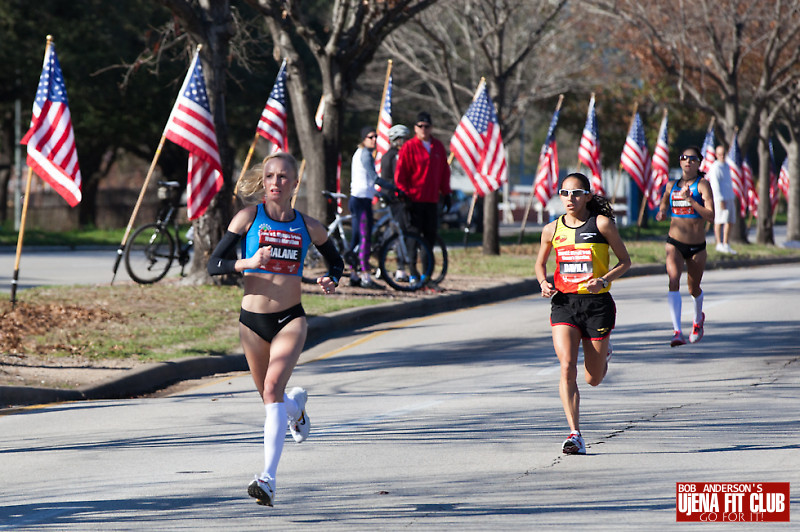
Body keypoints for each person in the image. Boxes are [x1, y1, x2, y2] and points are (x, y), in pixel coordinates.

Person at [207, 152, 343, 507]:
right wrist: (247, 262)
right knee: (274, 400)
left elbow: (338, 262)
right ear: (263, 181)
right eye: (270, 176)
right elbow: (213, 264)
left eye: (283, 177)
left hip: (290, 319)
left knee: (271, 391)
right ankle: (296, 408)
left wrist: (331, 279)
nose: (275, 182)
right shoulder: (247, 217)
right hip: (252, 323)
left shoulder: (309, 225)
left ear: (295, 183)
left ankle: (267, 479)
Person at [535, 172, 631, 455]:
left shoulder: (602, 224)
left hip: (596, 305)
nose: (570, 199)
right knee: (566, 365)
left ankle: (604, 354)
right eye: (564, 193)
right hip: (564, 303)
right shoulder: (551, 229)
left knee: (593, 378)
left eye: (576, 193)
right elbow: (540, 264)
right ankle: (575, 433)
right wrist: (543, 283)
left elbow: (625, 261)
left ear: (588, 195)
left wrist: (603, 280)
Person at [656, 146, 715, 347]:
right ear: (680, 162)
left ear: (699, 163)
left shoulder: (703, 185)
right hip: (675, 243)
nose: (687, 161)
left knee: (693, 288)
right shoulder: (671, 185)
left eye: (692, 158)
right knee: (673, 281)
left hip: (697, 246)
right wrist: (662, 212)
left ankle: (698, 320)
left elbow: (711, 215)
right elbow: (664, 202)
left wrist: (691, 201)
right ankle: (677, 331)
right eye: (684, 157)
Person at [395, 111, 452, 286]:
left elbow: (444, 173)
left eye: (427, 126)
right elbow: (400, 175)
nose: (423, 129)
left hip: (431, 201)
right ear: (415, 128)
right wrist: (403, 194)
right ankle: (413, 273)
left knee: (429, 239)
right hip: (413, 201)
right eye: (420, 126)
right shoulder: (409, 147)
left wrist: (447, 193)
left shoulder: (438, 147)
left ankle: (427, 276)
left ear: (431, 127)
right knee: (413, 238)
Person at [348, 126, 381, 288]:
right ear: (364, 139)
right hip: (361, 202)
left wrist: (380, 194)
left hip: (358, 198)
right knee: (364, 238)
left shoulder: (359, 153)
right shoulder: (366, 154)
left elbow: (367, 181)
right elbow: (375, 178)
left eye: (376, 136)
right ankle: (366, 276)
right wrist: (393, 189)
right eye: (371, 137)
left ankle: (353, 275)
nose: (374, 139)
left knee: (355, 239)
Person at [706, 143, 737, 255]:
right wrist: (719, 199)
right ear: (716, 155)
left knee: (729, 221)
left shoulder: (727, 166)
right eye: (720, 154)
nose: (722, 156)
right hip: (720, 198)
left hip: (729, 197)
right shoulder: (715, 167)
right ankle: (719, 243)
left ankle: (726, 244)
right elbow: (715, 185)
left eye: (724, 154)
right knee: (719, 220)